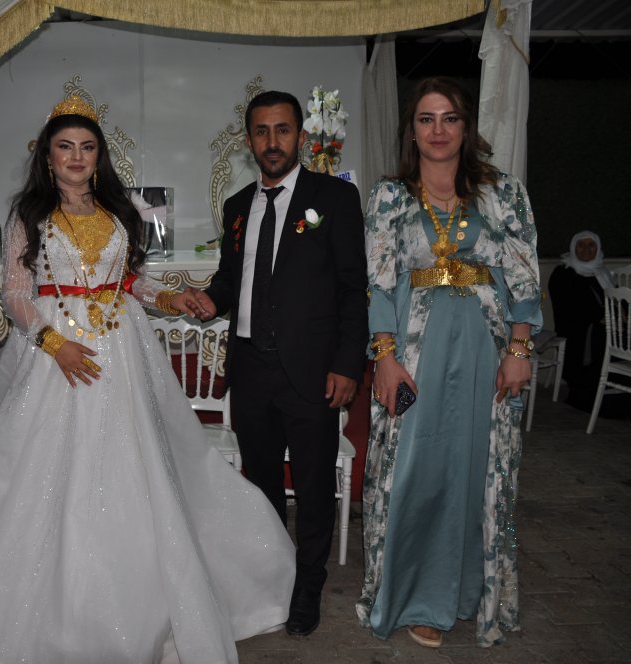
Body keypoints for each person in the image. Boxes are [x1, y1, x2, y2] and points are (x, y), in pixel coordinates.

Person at [0, 96, 295, 664]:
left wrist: (170, 297)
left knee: (136, 467)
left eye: (87, 147)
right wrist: (55, 345)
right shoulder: (30, 214)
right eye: (65, 147)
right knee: (44, 474)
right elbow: (16, 295)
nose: (76, 157)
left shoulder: (119, 210)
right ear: (48, 157)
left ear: (99, 156)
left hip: (121, 349)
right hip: (55, 353)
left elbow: (130, 282)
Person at [355, 76, 541, 648]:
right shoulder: (390, 196)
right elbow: (377, 281)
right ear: (411, 130)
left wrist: (519, 349)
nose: (438, 130)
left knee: (478, 470)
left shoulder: (504, 192)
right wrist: (385, 358)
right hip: (414, 351)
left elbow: (524, 274)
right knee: (413, 471)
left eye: (450, 118)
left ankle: (471, 595)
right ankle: (416, 597)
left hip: (486, 348)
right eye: (426, 119)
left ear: (466, 127)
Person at [191, 90, 369, 637]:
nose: (272, 142)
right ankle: (273, 576)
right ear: (249, 140)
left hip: (313, 371)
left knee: (313, 487)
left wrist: (348, 364)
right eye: (262, 132)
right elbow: (230, 278)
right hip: (250, 369)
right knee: (262, 483)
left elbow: (352, 288)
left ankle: (308, 585)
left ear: (301, 137)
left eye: (283, 130)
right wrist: (209, 301)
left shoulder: (333, 198)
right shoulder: (237, 206)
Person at [549, 231, 616, 412]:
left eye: (591, 245)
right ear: (573, 248)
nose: (586, 249)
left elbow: (615, 299)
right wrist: (601, 317)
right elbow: (569, 308)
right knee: (602, 337)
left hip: (604, 325)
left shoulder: (602, 273)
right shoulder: (563, 273)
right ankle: (592, 391)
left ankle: (616, 386)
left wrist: (619, 313)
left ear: (598, 248)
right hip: (576, 329)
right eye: (581, 245)